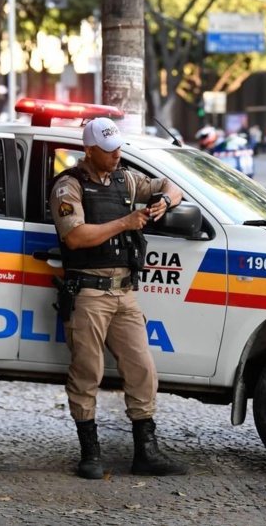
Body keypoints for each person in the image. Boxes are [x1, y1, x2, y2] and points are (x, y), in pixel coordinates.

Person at [49, 117, 188, 480]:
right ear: (89, 150)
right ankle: (90, 454)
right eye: (109, 151)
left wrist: (162, 202)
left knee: (142, 369)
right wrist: (125, 223)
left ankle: (146, 452)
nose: (116, 155)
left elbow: (174, 187)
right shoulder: (69, 186)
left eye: (118, 148)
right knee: (87, 373)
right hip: (89, 293)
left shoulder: (125, 179)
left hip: (124, 293)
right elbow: (75, 238)